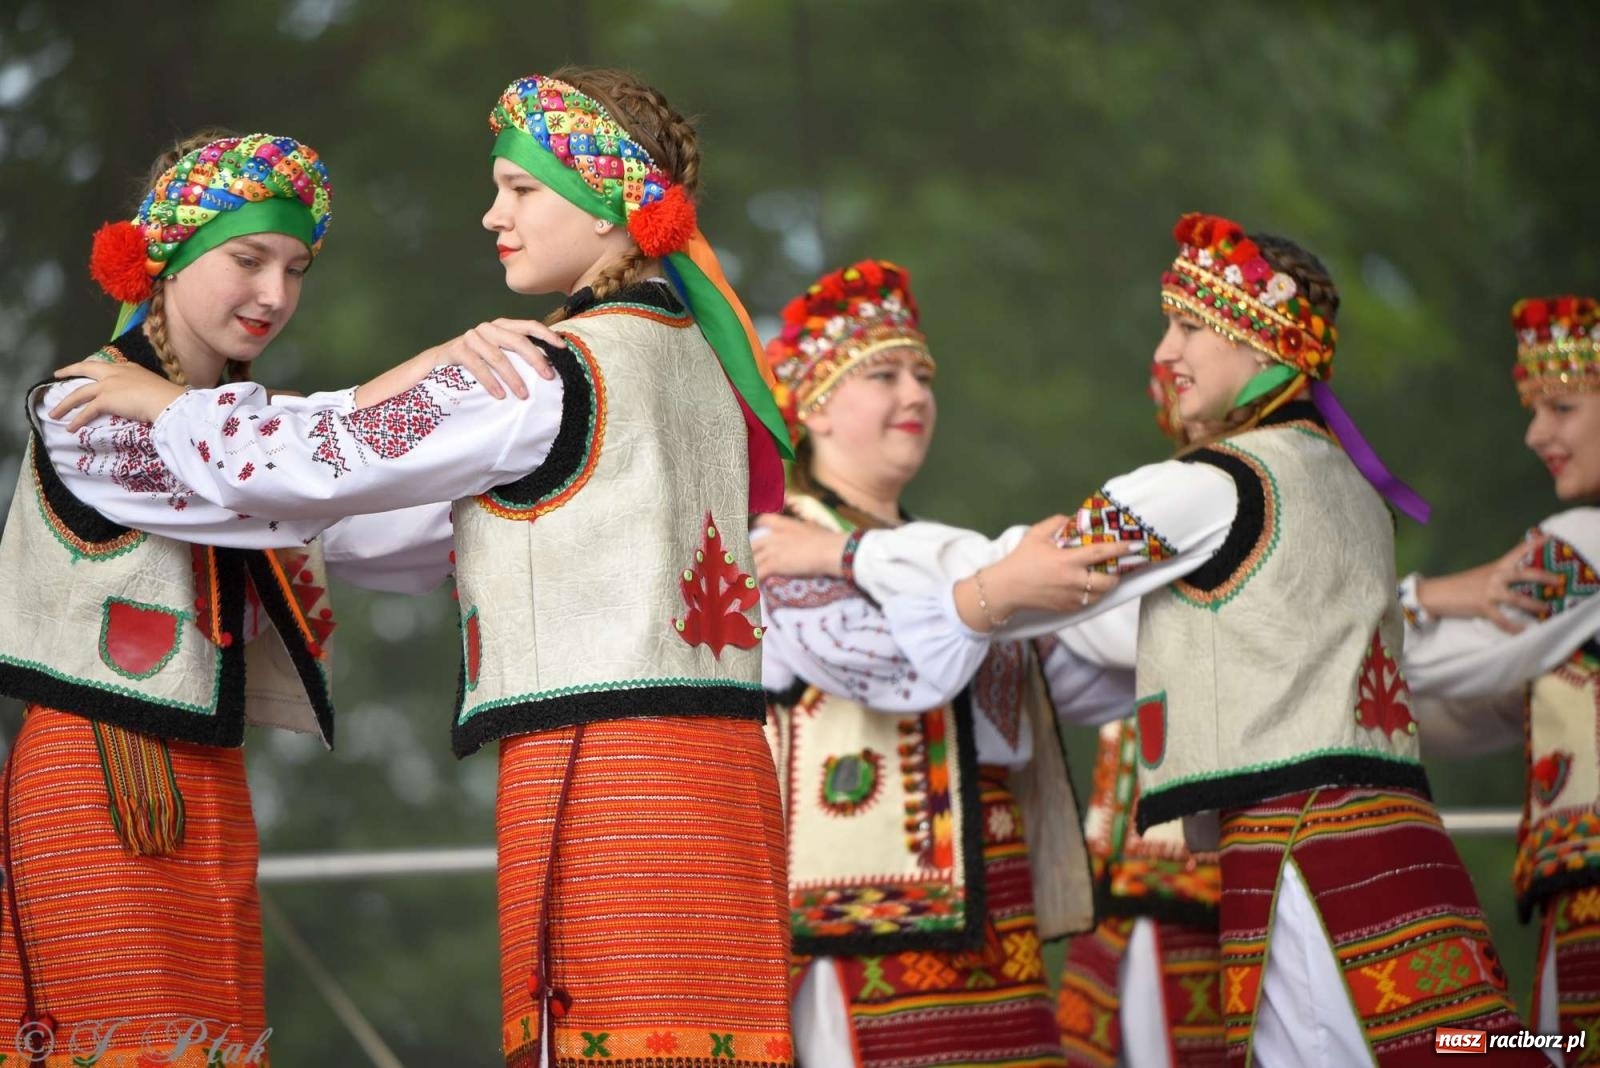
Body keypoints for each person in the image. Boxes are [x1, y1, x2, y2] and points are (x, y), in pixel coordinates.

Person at [49, 70, 797, 1067]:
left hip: (601, 773)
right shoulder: (696, 359)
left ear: (609, 198)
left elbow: (319, 465)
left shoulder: (532, 371)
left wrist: (159, 405)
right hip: (723, 781)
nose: (495, 214)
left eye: (520, 189)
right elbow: (425, 525)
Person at [755, 213, 1544, 1065]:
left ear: (1257, 340)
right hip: (1382, 833)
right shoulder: (1345, 482)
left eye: (1188, 326)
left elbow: (1045, 574)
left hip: (1298, 845)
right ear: (818, 407)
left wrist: (852, 551)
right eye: (885, 375)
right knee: (1473, 1041)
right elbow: (1094, 635)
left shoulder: (1212, 484)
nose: (1164, 354)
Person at [0, 130, 486, 1066]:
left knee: (215, 1036)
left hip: (201, 774)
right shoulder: (85, 408)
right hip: (106, 771)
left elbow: (355, 520)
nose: (275, 295)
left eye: (295, 267)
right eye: (247, 258)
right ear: (169, 254)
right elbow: (289, 485)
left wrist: (516, 500)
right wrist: (442, 372)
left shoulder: (241, 428)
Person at [754, 259, 1133, 1068]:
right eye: (883, 374)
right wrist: (999, 592)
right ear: (814, 405)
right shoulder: (780, 543)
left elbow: (1053, 685)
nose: (916, 394)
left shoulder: (936, 558)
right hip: (855, 930)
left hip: (997, 910)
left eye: (923, 375)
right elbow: (893, 664)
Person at [1400, 295, 1600, 1065]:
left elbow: (1430, 662)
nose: (1535, 433)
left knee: (1459, 1046)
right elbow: (1461, 714)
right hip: (1573, 904)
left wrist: (1420, 596)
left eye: (1562, 407)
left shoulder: (1582, 545)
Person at [1055, 363, 1224, 1068]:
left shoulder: (1273, 514)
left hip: (1227, 881)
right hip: (1127, 887)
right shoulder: (1155, 517)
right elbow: (1073, 596)